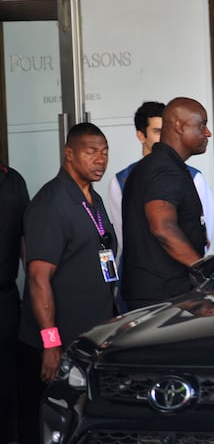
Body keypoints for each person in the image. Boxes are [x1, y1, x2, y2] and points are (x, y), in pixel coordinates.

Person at [16, 123, 117, 444]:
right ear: (69, 154)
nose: (100, 159)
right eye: (91, 152)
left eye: (104, 152)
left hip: (93, 337)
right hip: (62, 342)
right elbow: (37, 278)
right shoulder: (51, 204)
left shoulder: (92, 198)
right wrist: (50, 341)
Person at [121, 97, 211, 310]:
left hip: (156, 294)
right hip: (163, 298)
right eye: (202, 125)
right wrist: (204, 270)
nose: (208, 133)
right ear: (179, 126)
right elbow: (163, 228)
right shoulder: (165, 170)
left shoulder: (152, 165)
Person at [108, 101, 214, 258]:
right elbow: (128, 238)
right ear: (141, 135)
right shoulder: (122, 180)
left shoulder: (194, 177)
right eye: (157, 131)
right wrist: (196, 265)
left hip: (182, 275)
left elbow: (205, 235)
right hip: (155, 274)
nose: (164, 136)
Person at [0, 159, 29, 444]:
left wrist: (36, 284)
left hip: (5, 296)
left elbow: (24, 239)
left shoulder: (13, 181)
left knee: (7, 377)